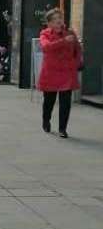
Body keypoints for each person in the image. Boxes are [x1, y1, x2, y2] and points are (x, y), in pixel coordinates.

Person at [38, 9, 82, 138]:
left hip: (67, 72)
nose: (59, 21)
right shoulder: (44, 34)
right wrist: (63, 41)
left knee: (65, 102)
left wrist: (76, 63)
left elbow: (78, 50)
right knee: (49, 101)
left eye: (60, 18)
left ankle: (62, 128)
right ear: (49, 23)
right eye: (55, 19)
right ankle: (46, 120)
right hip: (51, 72)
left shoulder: (69, 33)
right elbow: (46, 48)